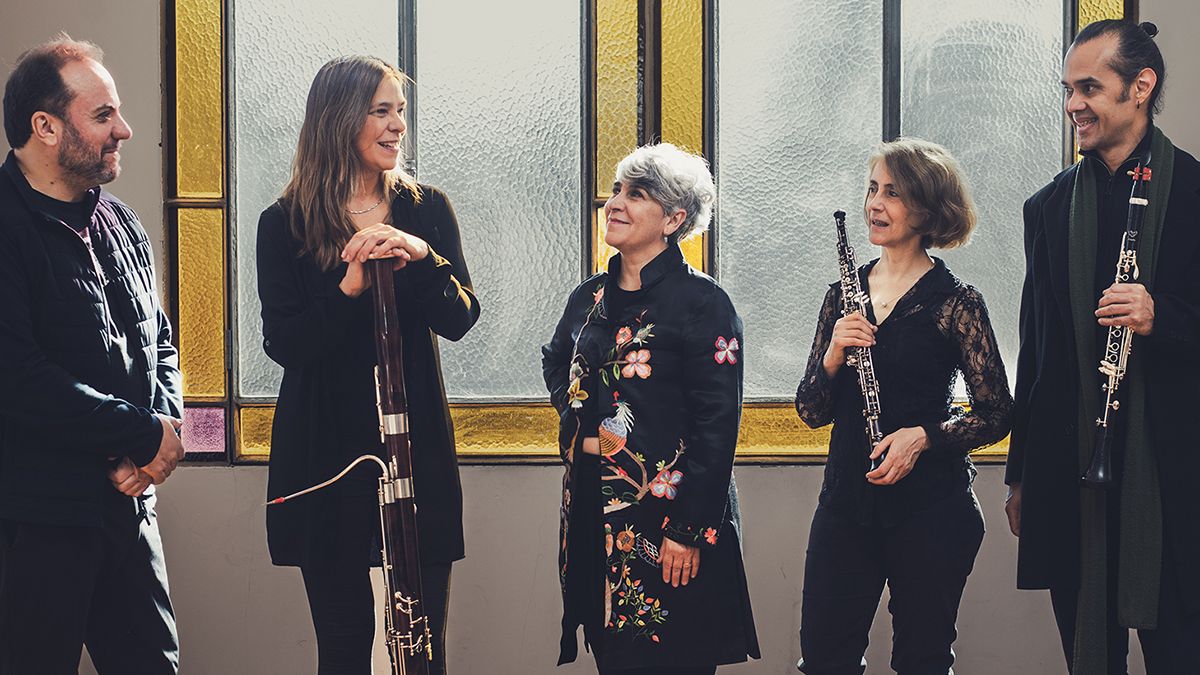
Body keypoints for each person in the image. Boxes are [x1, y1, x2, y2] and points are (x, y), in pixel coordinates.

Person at [257, 55, 479, 675]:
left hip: (416, 452)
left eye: (399, 110)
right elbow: (287, 344)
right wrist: (350, 287)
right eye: (381, 111)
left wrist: (421, 254)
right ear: (339, 121)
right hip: (326, 457)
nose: (397, 125)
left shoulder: (426, 209)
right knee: (346, 646)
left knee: (422, 649)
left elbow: (461, 319)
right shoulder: (283, 224)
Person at [1005, 20, 1200, 674]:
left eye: (1090, 87)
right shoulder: (1048, 208)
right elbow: (1038, 347)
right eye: (1068, 89)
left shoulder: (1197, 196)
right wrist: (1020, 472)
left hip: (1176, 482)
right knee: (1089, 656)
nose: (1073, 105)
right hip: (1073, 473)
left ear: (1141, 87)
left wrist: (1161, 314)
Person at [0, 35, 185, 674]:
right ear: (45, 126)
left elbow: (161, 340)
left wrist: (158, 438)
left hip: (128, 510)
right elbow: (17, 378)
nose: (124, 130)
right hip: (36, 522)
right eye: (102, 115)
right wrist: (140, 433)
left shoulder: (123, 224)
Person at [794, 138, 1012, 674]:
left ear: (927, 208)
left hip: (931, 510)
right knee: (825, 658)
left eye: (893, 192)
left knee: (923, 659)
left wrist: (924, 436)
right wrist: (833, 354)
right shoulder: (842, 295)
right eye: (872, 189)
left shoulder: (957, 302)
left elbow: (996, 412)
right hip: (847, 503)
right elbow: (811, 410)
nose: (875, 203)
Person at [543, 143, 759, 674]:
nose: (615, 202)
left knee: (674, 656)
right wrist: (579, 424)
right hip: (595, 514)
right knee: (614, 657)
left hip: (670, 521)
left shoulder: (703, 303)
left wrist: (687, 530)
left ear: (674, 218)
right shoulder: (589, 296)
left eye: (635, 195)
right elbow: (556, 361)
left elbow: (718, 427)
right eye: (617, 190)